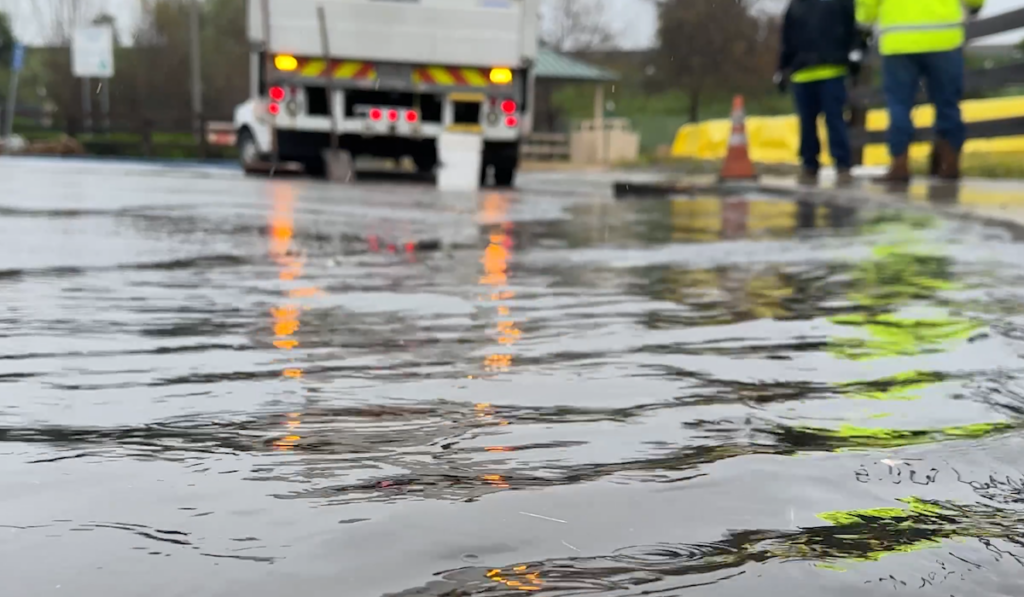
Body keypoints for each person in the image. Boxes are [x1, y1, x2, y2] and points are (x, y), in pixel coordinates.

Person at [856, 0, 985, 182]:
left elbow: (866, 7)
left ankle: (899, 165)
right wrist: (974, 7)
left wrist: (864, 22)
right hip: (944, 37)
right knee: (947, 104)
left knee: (899, 106)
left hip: (898, 40)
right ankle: (950, 164)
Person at [776, 0, 862, 186]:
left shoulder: (796, 5)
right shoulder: (801, 5)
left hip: (815, 71)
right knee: (830, 120)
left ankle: (816, 165)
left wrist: (782, 68)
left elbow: (786, 39)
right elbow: (787, 38)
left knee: (817, 121)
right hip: (822, 70)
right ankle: (836, 165)